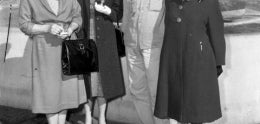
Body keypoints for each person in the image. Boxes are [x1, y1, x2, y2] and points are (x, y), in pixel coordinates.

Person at [154, 0, 226, 124]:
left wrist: (218, 62)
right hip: (173, 61)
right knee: (177, 108)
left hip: (198, 62)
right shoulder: (169, 2)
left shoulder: (209, 2)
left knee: (196, 110)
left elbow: (216, 31)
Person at [19, 0, 87, 124]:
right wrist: (47, 28)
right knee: (49, 91)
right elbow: (24, 24)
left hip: (67, 46)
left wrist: (71, 29)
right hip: (44, 50)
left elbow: (77, 17)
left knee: (65, 90)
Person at [76, 0, 125, 124]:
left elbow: (118, 14)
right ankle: (88, 116)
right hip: (85, 36)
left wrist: (106, 10)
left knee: (103, 82)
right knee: (88, 80)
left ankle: (102, 117)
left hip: (106, 39)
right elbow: (75, 11)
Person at [122, 0, 169, 124]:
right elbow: (126, 10)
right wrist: (125, 33)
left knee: (156, 92)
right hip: (131, 42)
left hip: (154, 44)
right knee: (136, 90)